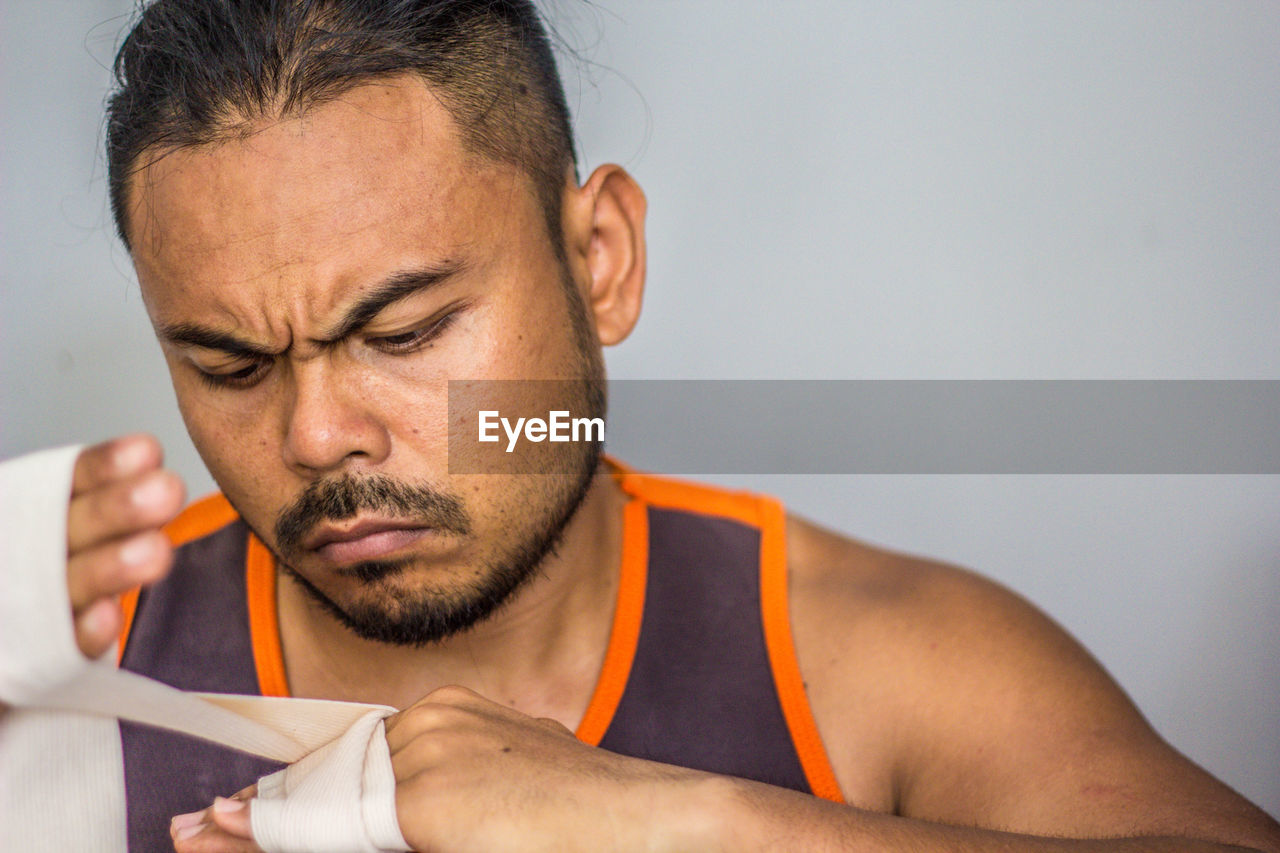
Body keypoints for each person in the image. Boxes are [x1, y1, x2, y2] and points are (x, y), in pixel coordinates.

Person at [19, 0, 1280, 850]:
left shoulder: (867, 658)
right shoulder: (64, 673)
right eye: (230, 364)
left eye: (403, 335)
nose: (316, 436)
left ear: (601, 260)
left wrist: (672, 823)